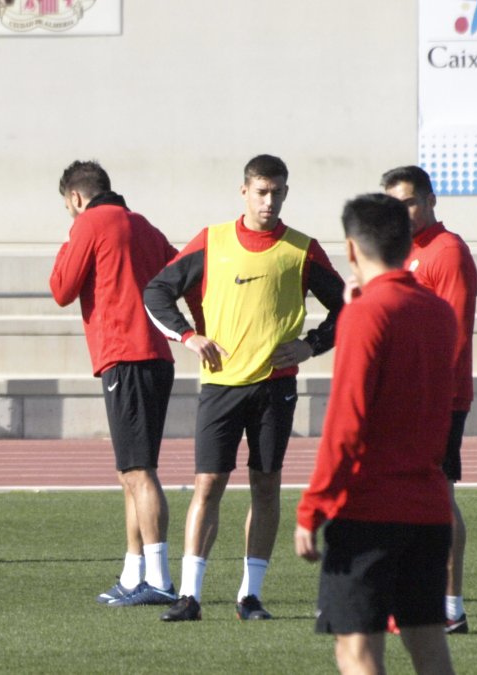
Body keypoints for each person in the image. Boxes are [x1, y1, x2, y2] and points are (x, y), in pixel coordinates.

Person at [143, 154, 345, 621]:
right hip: (221, 386)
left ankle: (249, 595)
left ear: (286, 193)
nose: (268, 201)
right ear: (244, 192)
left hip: (276, 388)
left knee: (266, 485)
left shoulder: (301, 249)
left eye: (276, 192)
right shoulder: (212, 242)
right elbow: (156, 291)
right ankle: (190, 595)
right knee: (208, 484)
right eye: (261, 192)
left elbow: (349, 308)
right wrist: (188, 336)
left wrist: (311, 346)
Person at [295, 193, 457, 675]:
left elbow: (346, 423)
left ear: (350, 249)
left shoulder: (366, 315)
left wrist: (312, 506)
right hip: (428, 507)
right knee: (427, 643)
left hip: (369, 509)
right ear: (409, 242)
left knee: (356, 650)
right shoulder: (437, 312)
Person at [49, 160, 180, 606]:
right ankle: (132, 573)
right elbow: (179, 274)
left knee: (139, 472)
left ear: (75, 198)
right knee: (130, 471)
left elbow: (62, 288)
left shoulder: (89, 223)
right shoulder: (143, 226)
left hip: (125, 356)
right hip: (153, 358)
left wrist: (73, 236)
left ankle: (160, 579)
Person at [382, 165, 477, 635]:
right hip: (407, 396)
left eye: (408, 203)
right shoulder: (403, 253)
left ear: (430, 199)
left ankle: (450, 607)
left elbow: (453, 335)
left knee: (438, 497)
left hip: (438, 397)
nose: (400, 214)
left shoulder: (448, 252)